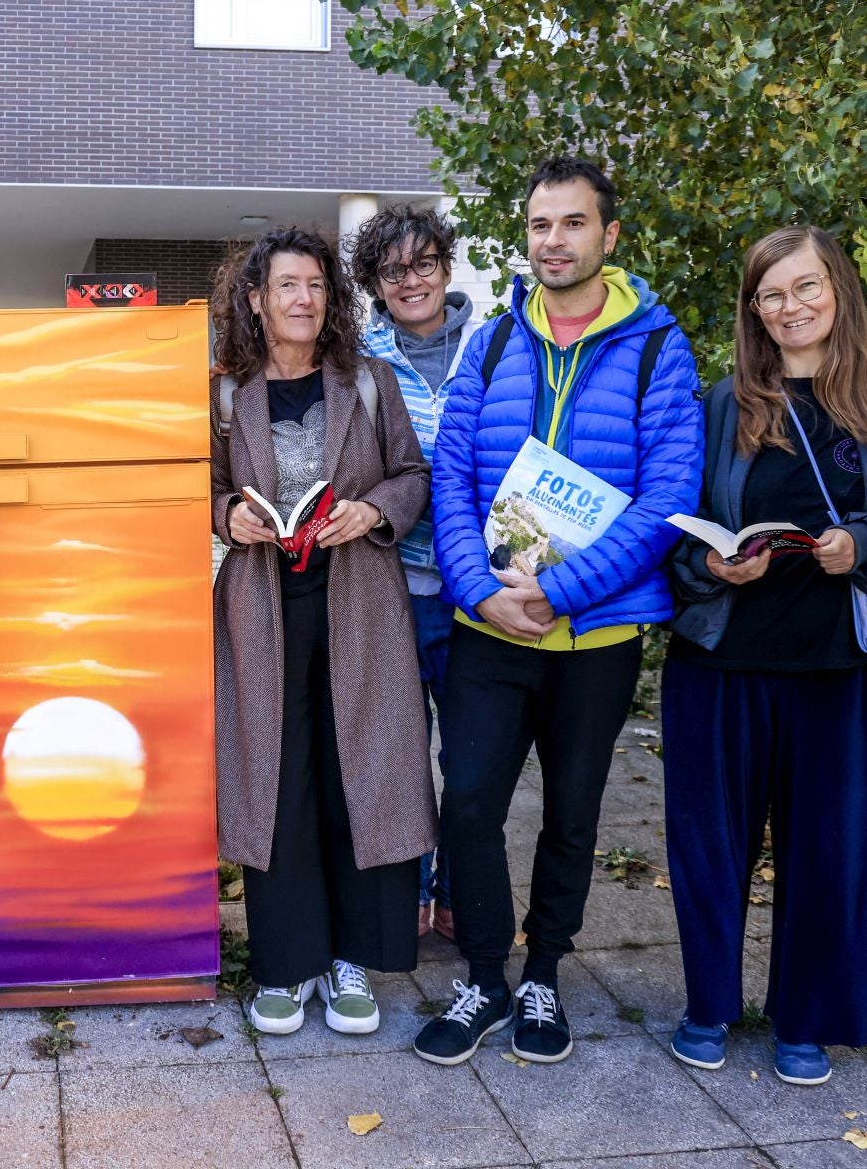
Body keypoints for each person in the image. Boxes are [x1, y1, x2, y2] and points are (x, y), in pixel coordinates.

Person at [662, 225, 867, 1085]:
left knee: (830, 852)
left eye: (806, 288)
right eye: (771, 294)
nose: (790, 307)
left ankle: (804, 1017)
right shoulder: (722, 404)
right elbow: (673, 531)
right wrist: (712, 565)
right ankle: (709, 1005)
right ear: (753, 310)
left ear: (839, 291)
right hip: (721, 663)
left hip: (843, 669)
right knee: (711, 848)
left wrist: (863, 543)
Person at [415, 157, 702, 1067]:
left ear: (608, 236)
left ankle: (543, 973)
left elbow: (668, 498)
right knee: (467, 806)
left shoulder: (659, 347)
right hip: (488, 626)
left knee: (573, 813)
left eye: (572, 224)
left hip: (599, 634)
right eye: (541, 226)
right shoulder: (493, 344)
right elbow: (449, 481)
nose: (554, 241)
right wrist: (483, 590)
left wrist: (562, 590)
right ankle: (486, 978)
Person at [210, 226, 434, 1038]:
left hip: (359, 605)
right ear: (257, 301)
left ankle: (350, 961)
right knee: (278, 779)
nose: (303, 299)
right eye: (286, 286)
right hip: (261, 610)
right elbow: (198, 488)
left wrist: (375, 510)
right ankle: (284, 961)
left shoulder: (369, 383)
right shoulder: (227, 394)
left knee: (359, 775)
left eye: (315, 286)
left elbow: (413, 475)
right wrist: (228, 514)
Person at [352, 202, 490, 942]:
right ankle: (403, 895)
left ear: (445, 265)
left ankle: (461, 896)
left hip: (480, 590)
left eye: (423, 264)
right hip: (395, 585)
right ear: (376, 283)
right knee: (398, 756)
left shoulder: (497, 346)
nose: (411, 281)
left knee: (471, 762)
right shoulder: (359, 361)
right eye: (393, 270)